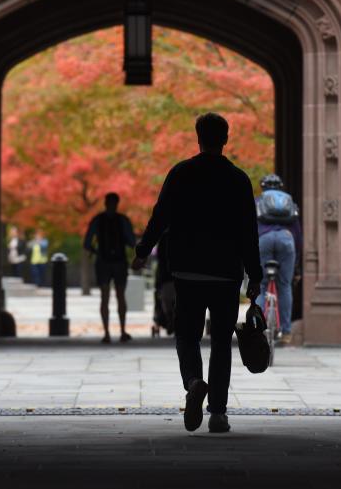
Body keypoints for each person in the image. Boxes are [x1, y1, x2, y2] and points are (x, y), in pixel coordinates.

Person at [132, 112, 262, 434]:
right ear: (225, 139)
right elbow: (248, 231)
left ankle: (193, 381)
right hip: (226, 274)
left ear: (198, 138)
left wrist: (142, 251)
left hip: (187, 271)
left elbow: (160, 216)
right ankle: (217, 413)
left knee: (187, 336)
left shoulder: (180, 174)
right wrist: (255, 274)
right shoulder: (238, 179)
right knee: (220, 343)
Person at [254, 174, 301, 344]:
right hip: (286, 240)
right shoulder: (289, 203)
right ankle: (286, 332)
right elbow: (297, 234)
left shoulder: (257, 201)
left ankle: (258, 328)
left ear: (263, 187)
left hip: (263, 240)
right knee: (285, 285)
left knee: (261, 285)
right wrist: (296, 265)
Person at [83, 192, 136, 343]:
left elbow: (87, 243)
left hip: (103, 261)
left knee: (104, 297)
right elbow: (131, 241)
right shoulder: (123, 220)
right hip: (119, 261)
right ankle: (122, 331)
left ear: (105, 203)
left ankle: (107, 333)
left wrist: (96, 251)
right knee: (120, 296)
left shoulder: (97, 220)